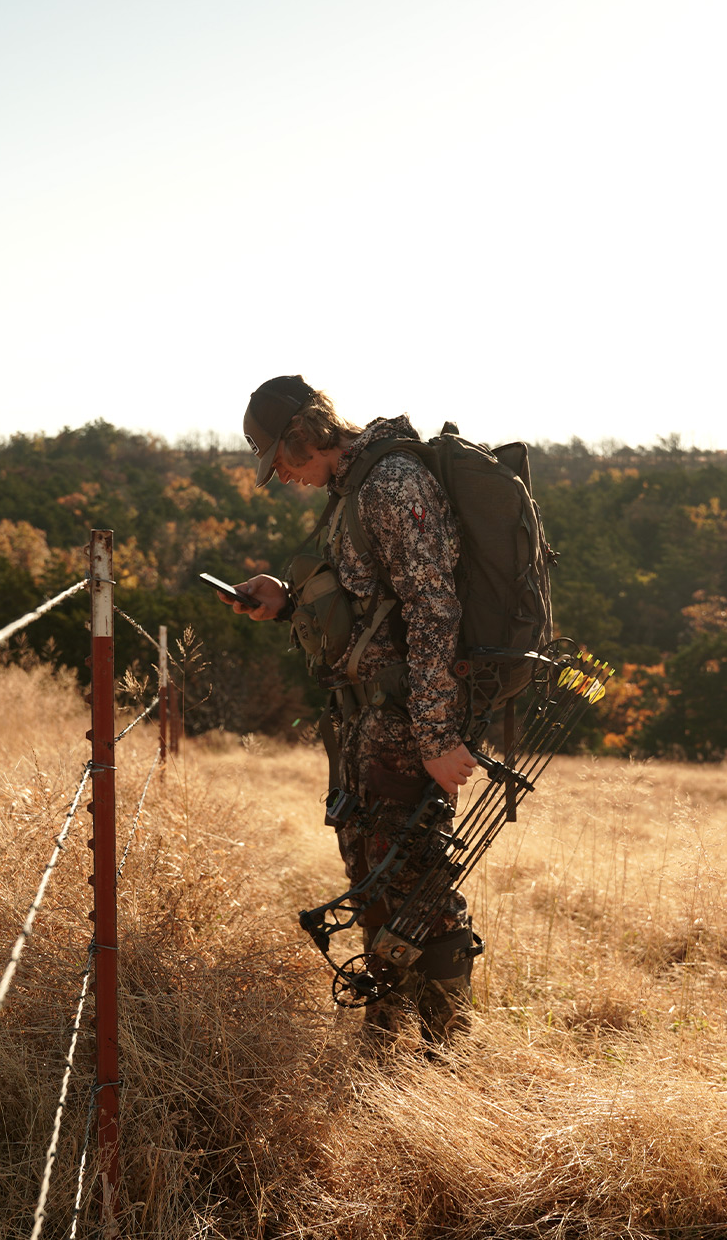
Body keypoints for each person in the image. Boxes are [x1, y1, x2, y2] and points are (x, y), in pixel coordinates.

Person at [217, 373, 480, 1048]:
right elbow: (369, 605)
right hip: (367, 722)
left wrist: (434, 736)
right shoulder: (351, 489)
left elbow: (433, 609)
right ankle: (387, 1038)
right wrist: (283, 598)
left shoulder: (392, 483)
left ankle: (447, 1057)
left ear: (306, 436)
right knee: (375, 881)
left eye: (283, 459)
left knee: (418, 885)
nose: (284, 475)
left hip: (403, 723)